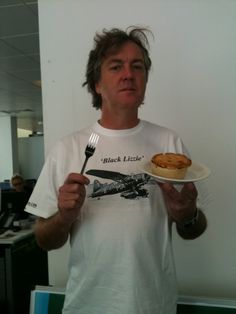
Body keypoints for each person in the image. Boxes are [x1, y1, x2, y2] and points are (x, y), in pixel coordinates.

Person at [25, 26, 207, 314]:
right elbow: (44, 240)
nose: (128, 74)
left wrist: (187, 216)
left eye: (138, 66)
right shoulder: (67, 148)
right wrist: (64, 217)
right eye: (116, 66)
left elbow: (195, 229)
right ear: (97, 83)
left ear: (145, 79)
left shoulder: (170, 145)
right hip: (87, 306)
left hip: (154, 306)